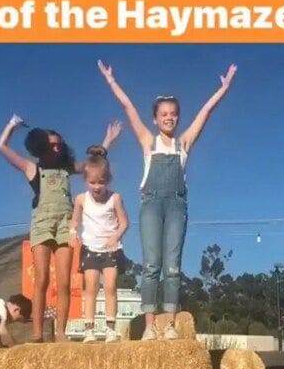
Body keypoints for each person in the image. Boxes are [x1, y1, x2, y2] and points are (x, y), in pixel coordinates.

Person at [98, 59, 237, 340]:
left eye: (173, 113)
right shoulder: (148, 141)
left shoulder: (183, 144)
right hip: (151, 204)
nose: (169, 117)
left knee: (172, 267)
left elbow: (206, 113)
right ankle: (150, 326)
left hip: (176, 205)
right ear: (155, 118)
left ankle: (170, 324)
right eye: (163, 114)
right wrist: (111, 81)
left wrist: (224, 88)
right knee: (151, 265)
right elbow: (128, 108)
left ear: (178, 117)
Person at [0, 116, 121, 342]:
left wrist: (108, 141)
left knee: (64, 280)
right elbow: (1, 147)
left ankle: (61, 332)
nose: (56, 148)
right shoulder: (33, 168)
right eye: (51, 144)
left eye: (59, 144)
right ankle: (37, 333)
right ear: (41, 146)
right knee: (41, 278)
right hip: (42, 224)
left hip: (65, 223)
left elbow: (92, 164)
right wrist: (12, 126)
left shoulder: (67, 168)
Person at [69, 149, 128, 343]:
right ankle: (89, 330)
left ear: (108, 181)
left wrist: (116, 235)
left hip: (111, 249)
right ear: (86, 180)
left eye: (101, 182)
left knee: (110, 286)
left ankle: (110, 328)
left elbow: (124, 222)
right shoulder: (81, 199)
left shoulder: (115, 198)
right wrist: (72, 233)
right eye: (92, 182)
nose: (97, 186)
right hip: (90, 248)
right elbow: (74, 221)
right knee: (91, 288)